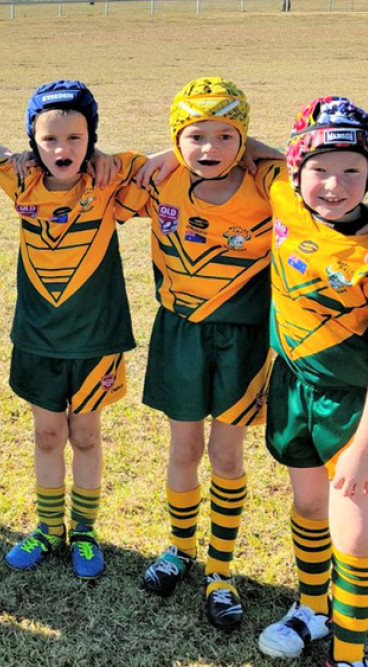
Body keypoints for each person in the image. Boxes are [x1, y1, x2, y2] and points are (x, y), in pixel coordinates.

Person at [0, 80, 147, 580]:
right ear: (33, 141)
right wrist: (7, 149)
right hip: (37, 338)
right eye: (49, 138)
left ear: (92, 138)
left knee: (86, 435)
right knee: (47, 434)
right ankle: (49, 528)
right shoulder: (22, 182)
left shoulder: (108, 182)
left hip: (96, 339)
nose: (62, 149)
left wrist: (109, 156)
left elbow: (180, 154)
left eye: (75, 138)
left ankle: (85, 532)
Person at [137, 77, 280, 630]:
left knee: (225, 455)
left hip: (241, 340)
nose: (209, 150)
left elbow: (305, 162)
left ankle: (220, 570)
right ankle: (179, 549)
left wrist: (252, 145)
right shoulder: (159, 184)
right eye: (195, 137)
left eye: (226, 136)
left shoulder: (271, 186)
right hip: (180, 333)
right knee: (183, 447)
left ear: (244, 139)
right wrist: (163, 153)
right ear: (177, 139)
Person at [257, 96, 368, 667]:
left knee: (353, 533)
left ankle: (351, 651)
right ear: (297, 172)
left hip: (355, 404)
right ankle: (311, 609)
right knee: (308, 508)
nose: (334, 184)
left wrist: (362, 448)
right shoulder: (285, 197)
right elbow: (250, 150)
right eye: (319, 169)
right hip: (292, 387)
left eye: (352, 169)